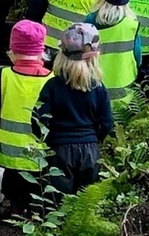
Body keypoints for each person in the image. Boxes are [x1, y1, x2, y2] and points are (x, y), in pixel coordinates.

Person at [34, 23, 114, 195]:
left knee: (58, 202)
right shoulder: (98, 87)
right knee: (84, 203)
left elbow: (39, 119)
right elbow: (107, 122)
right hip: (90, 151)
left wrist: (48, 141)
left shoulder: (52, 86)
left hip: (59, 150)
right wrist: (94, 138)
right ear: (94, 57)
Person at [0, 21, 53, 212]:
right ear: (42, 52)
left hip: (9, 151)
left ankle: (14, 207)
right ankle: (34, 211)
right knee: (36, 184)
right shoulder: (51, 79)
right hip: (39, 151)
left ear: (12, 51)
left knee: (12, 181)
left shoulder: (5, 76)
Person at [85, 0, 140, 110]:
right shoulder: (132, 25)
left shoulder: (89, 22)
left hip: (91, 97)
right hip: (125, 101)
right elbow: (137, 58)